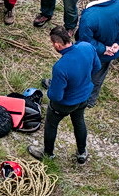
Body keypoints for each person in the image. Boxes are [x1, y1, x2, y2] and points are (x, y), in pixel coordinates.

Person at [28, 26, 100, 164]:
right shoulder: (86, 47)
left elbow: (56, 96)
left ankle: (48, 154)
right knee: (79, 122)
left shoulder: (61, 67)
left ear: (57, 45)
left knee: (51, 124)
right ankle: (81, 152)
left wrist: (50, 89)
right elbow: (96, 67)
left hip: (65, 104)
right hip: (84, 96)